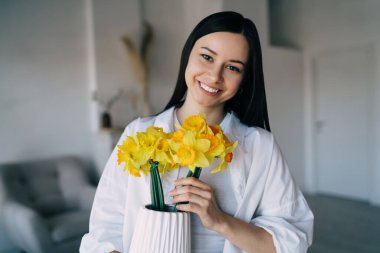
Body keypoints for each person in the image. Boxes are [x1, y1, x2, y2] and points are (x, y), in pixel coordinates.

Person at [80, 11, 314, 253]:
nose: (214, 76)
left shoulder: (259, 146)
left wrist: (220, 220)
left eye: (233, 67)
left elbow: (291, 242)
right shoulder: (138, 133)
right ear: (188, 55)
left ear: (244, 79)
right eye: (206, 57)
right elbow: (104, 230)